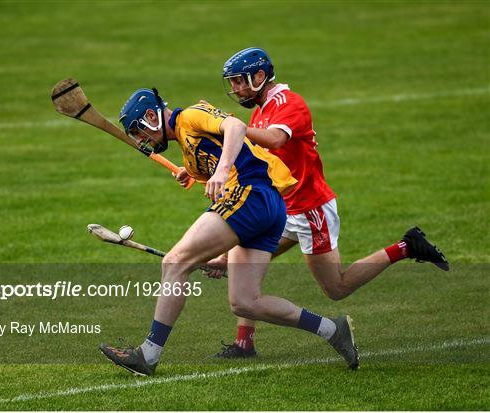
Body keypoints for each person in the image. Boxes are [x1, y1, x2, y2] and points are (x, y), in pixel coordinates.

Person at [192, 47, 449, 358]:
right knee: (242, 262)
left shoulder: (290, 103)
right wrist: (195, 171)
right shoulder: (260, 111)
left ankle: (407, 246)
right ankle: (244, 342)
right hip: (281, 207)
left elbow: (274, 140)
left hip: (310, 208)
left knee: (336, 288)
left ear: (259, 76)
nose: (235, 89)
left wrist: (236, 127)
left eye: (238, 81)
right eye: (231, 83)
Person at [99, 87, 360, 376]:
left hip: (252, 193)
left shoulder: (190, 116)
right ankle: (332, 329)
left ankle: (148, 355)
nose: (139, 140)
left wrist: (221, 170)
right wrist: (196, 175)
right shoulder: (187, 149)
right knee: (246, 302)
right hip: (268, 207)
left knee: (175, 262)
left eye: (138, 131)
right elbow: (214, 167)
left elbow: (235, 126)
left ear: (151, 116)